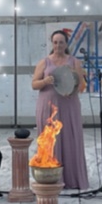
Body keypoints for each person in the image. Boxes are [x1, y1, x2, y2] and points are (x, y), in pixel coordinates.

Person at [32, 30, 89, 190]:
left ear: (66, 44)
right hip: (48, 104)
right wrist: (45, 81)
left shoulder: (74, 62)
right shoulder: (44, 62)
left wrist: (71, 88)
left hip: (68, 104)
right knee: (50, 140)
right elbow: (34, 84)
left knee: (70, 138)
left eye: (61, 42)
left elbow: (81, 85)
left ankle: (72, 178)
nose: (58, 45)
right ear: (52, 43)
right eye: (55, 42)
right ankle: (51, 177)